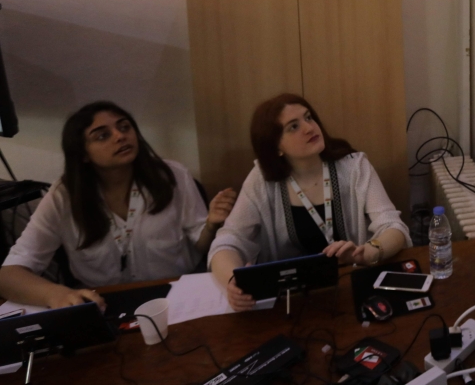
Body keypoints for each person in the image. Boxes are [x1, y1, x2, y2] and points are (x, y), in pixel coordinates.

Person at [0, 102, 235, 308]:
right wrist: (56, 294)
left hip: (177, 294)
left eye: (124, 127)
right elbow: (8, 275)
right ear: (83, 154)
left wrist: (212, 226)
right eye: (102, 135)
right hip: (104, 303)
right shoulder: (64, 195)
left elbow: (201, 246)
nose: (120, 136)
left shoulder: (172, 175)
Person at [209, 94, 411, 312]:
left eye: (308, 118)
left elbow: (393, 226)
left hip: (348, 288)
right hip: (291, 299)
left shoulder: (354, 167)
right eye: (293, 127)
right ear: (276, 147)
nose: (309, 128)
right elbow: (228, 240)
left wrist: (367, 253)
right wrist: (232, 282)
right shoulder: (261, 179)